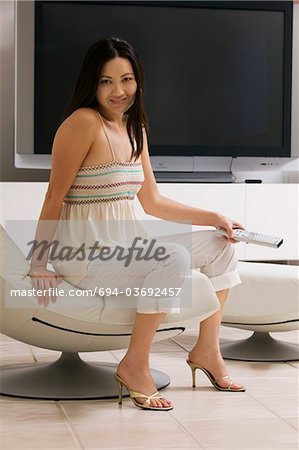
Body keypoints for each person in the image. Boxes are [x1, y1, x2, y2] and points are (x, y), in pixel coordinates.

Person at [29, 37, 245, 412]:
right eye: (106, 81)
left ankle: (207, 351)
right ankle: (135, 365)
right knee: (172, 258)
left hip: (129, 247)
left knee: (222, 243)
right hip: (86, 255)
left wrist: (215, 218)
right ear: (91, 83)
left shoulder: (135, 128)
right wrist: (38, 263)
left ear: (138, 81)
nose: (118, 91)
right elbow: (54, 197)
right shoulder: (82, 123)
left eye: (126, 79)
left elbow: (153, 201)